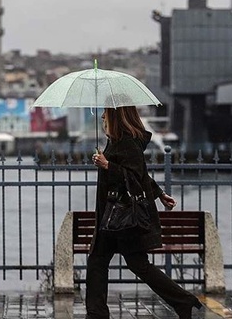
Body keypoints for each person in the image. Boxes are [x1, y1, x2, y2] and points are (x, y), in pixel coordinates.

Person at [87, 106, 203, 319]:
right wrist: (158, 193)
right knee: (98, 260)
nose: (103, 116)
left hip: (121, 217)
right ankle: (96, 314)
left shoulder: (128, 143)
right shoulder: (117, 141)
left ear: (117, 115)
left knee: (136, 265)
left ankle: (183, 300)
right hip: (112, 216)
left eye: (106, 112)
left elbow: (133, 176)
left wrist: (107, 165)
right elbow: (141, 176)